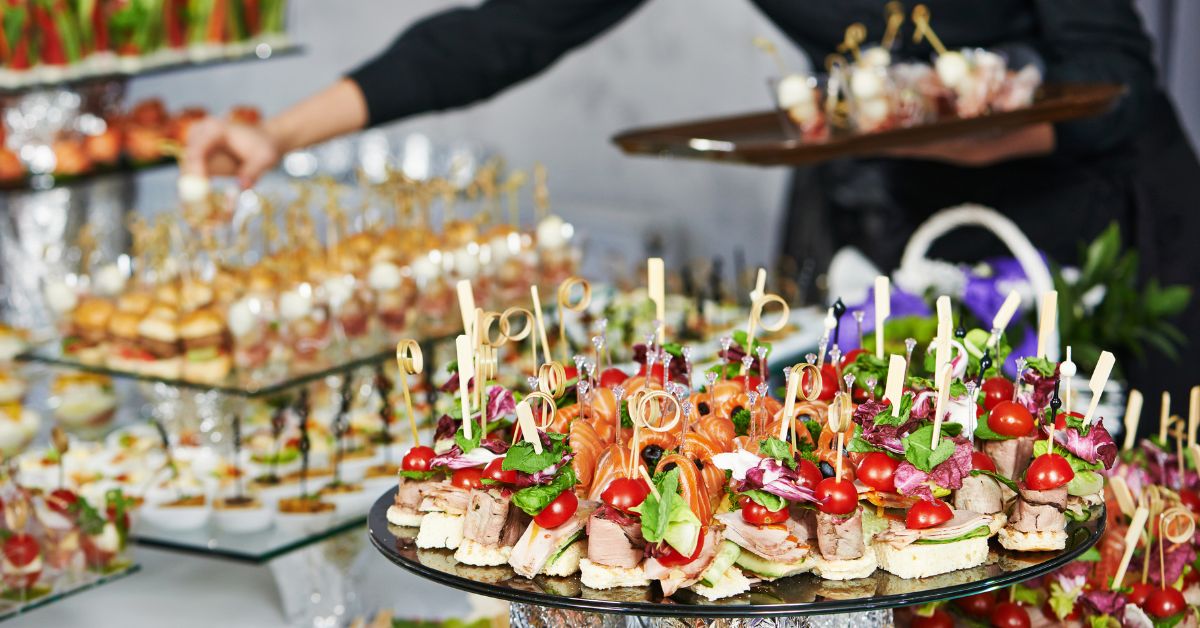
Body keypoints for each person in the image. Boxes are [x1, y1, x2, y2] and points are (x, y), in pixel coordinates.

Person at [185, 0, 1200, 419]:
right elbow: (506, 32)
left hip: (1101, 222)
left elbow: (1110, 82)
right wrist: (282, 133)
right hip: (903, 227)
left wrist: (907, 130)